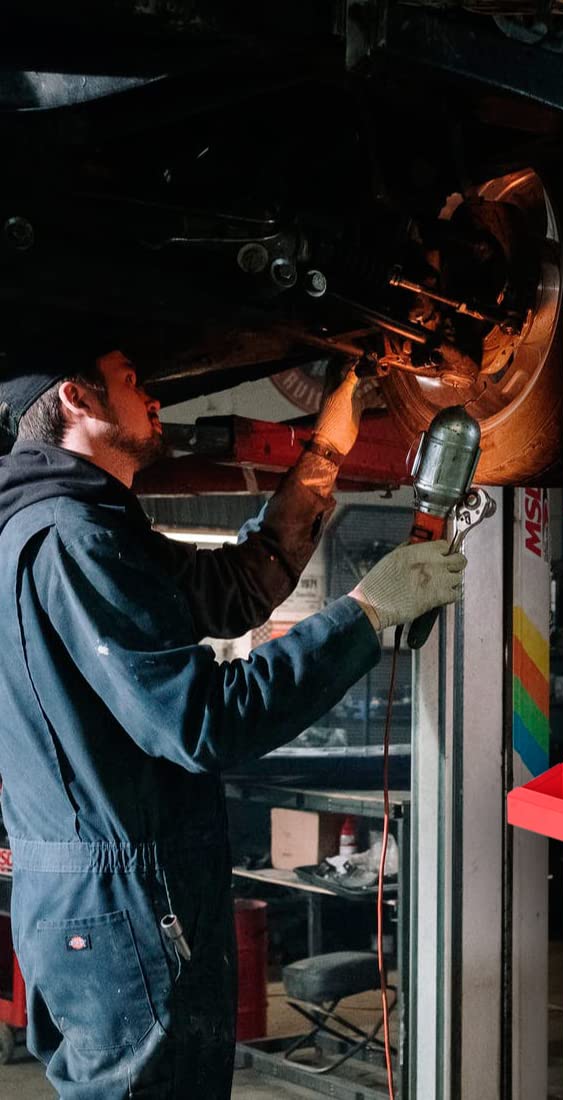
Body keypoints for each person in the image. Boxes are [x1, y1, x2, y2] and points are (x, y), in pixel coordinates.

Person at [0, 336, 467, 1098]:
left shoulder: (67, 525)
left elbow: (231, 588)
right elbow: (203, 722)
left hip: (94, 901)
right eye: (130, 380)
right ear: (76, 400)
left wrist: (326, 449)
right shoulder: (72, 538)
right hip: (121, 908)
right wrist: (363, 614)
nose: (153, 396)